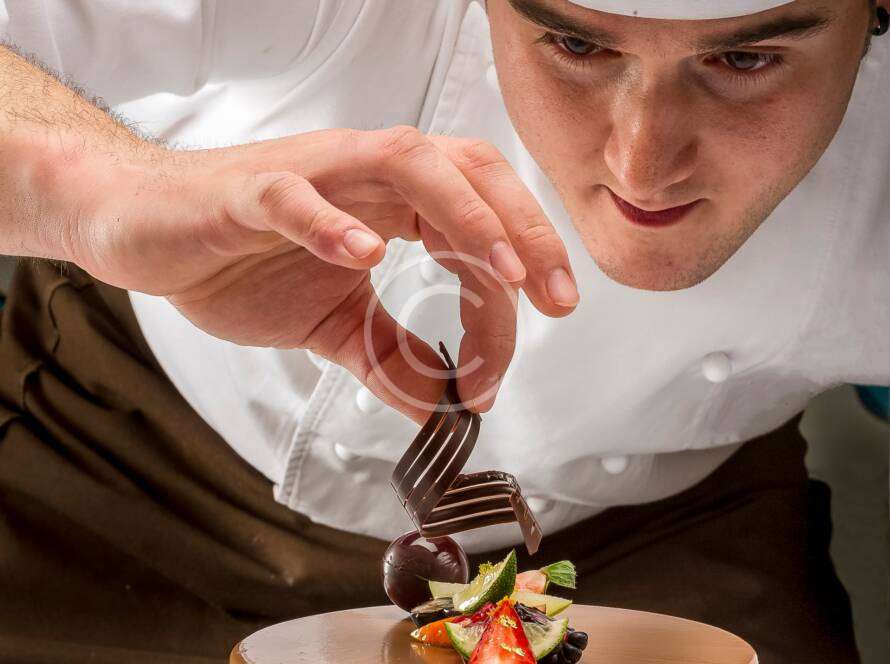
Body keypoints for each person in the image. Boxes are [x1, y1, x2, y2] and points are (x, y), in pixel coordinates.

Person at [0, 0, 886, 661]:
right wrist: (110, 194)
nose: (643, 165)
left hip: (661, 536)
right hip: (132, 468)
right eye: (576, 45)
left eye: (747, 58)